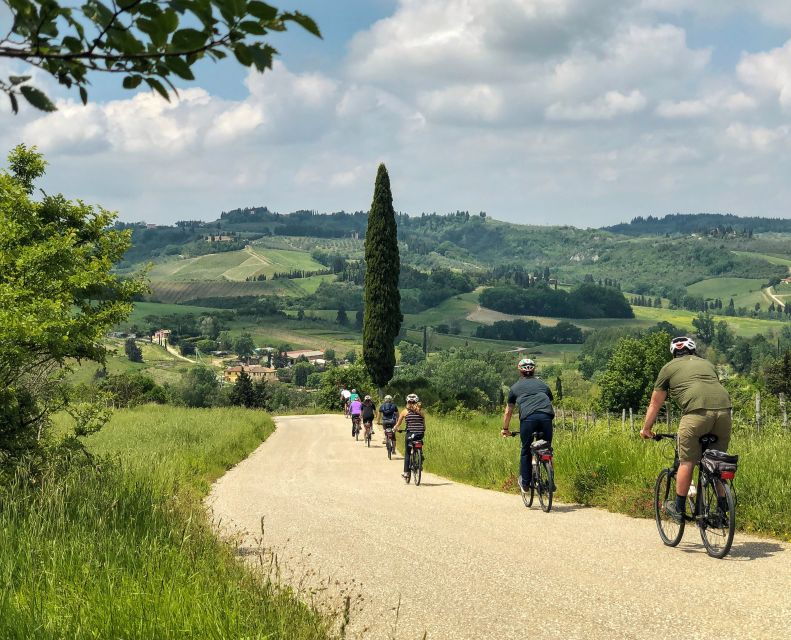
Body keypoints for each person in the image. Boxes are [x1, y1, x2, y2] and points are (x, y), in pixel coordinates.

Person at [640, 336, 732, 522]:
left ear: (674, 352)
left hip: (696, 414)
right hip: (725, 413)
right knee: (717, 462)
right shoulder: (707, 363)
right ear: (693, 351)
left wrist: (646, 429)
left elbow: (655, 402)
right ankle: (722, 511)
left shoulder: (668, 368)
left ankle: (679, 509)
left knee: (687, 462)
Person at [501, 358, 554, 492]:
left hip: (528, 419)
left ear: (520, 371)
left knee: (526, 450)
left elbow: (508, 412)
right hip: (546, 417)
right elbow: (549, 400)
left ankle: (525, 484)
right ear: (534, 370)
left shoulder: (514, 388)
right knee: (546, 448)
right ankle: (550, 481)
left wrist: (505, 429)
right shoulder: (543, 385)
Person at [394, 393, 425, 480]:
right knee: (419, 443)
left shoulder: (405, 412)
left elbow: (398, 424)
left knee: (407, 452)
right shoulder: (422, 412)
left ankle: (406, 472)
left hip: (410, 434)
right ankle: (420, 460)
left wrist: (395, 428)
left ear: (407, 401)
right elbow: (424, 426)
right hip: (420, 433)